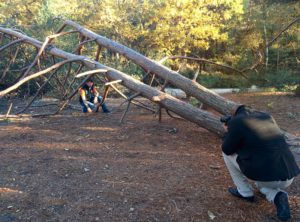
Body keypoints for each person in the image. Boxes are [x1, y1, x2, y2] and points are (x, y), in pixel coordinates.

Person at [221, 105, 299, 221]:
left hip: (267, 177)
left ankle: (244, 192)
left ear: (234, 114)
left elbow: (227, 148)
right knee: (261, 185)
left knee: (225, 154)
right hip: (289, 174)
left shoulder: (237, 121)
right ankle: (279, 196)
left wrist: (227, 132)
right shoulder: (266, 116)